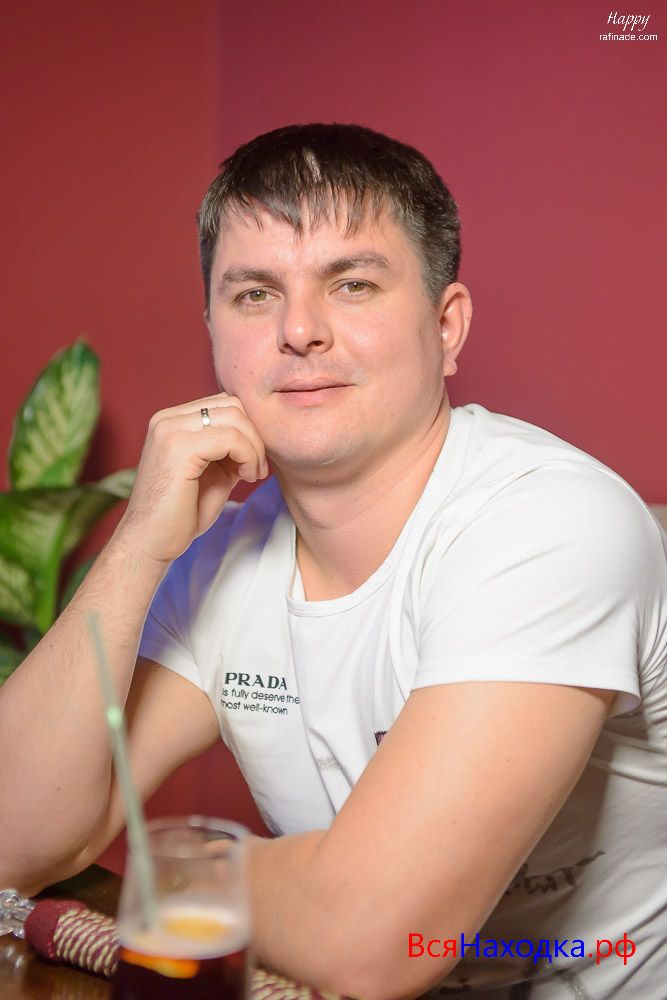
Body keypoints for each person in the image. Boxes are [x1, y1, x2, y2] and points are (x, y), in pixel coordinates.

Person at [0, 123, 665, 1000]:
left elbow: (374, 937)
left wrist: (181, 871)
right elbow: (14, 838)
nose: (298, 330)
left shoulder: (549, 521)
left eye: (351, 284)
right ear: (213, 332)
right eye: (254, 295)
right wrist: (136, 545)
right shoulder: (220, 556)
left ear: (446, 326)